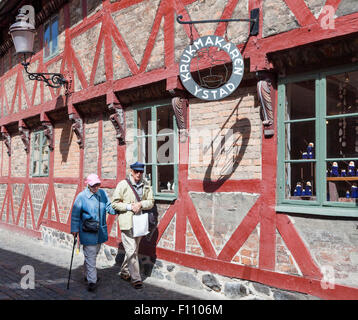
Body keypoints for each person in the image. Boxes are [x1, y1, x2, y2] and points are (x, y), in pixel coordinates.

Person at [112, 161, 154, 289]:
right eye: (136, 171)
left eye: (141, 171)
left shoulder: (146, 185)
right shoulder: (123, 184)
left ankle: (124, 271)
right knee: (131, 250)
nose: (139, 174)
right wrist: (130, 206)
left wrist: (140, 204)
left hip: (140, 222)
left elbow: (151, 202)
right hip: (127, 222)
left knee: (134, 250)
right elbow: (114, 203)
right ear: (131, 171)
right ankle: (136, 278)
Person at [71, 173, 116, 292]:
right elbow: (75, 214)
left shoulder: (102, 194)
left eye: (98, 184)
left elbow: (109, 207)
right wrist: (74, 229)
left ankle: (87, 274)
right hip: (87, 231)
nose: (96, 187)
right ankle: (92, 281)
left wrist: (118, 208)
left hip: (99, 231)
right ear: (88, 185)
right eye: (93, 185)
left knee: (92, 255)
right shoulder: (81, 196)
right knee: (91, 256)